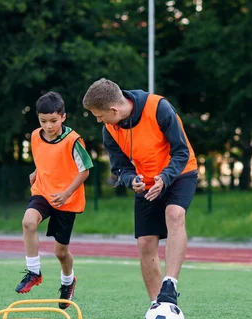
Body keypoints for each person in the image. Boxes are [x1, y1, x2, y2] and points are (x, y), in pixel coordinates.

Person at [82, 78, 198, 307]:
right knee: (145, 242)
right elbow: (120, 167)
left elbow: (181, 151)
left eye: (98, 115)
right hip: (145, 182)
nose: (98, 120)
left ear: (114, 109)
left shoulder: (159, 108)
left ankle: (170, 284)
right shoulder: (109, 129)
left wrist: (164, 179)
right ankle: (158, 305)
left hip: (179, 172)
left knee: (175, 214)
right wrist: (130, 179)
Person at [15, 91, 93, 309]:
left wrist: (67, 193)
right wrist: (36, 171)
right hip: (43, 192)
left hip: (66, 200)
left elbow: (84, 170)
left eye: (53, 121)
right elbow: (45, 159)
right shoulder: (34, 136)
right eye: (43, 121)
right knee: (28, 222)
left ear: (63, 117)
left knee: (60, 253)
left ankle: (68, 282)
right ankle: (34, 271)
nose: (48, 126)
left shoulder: (73, 140)